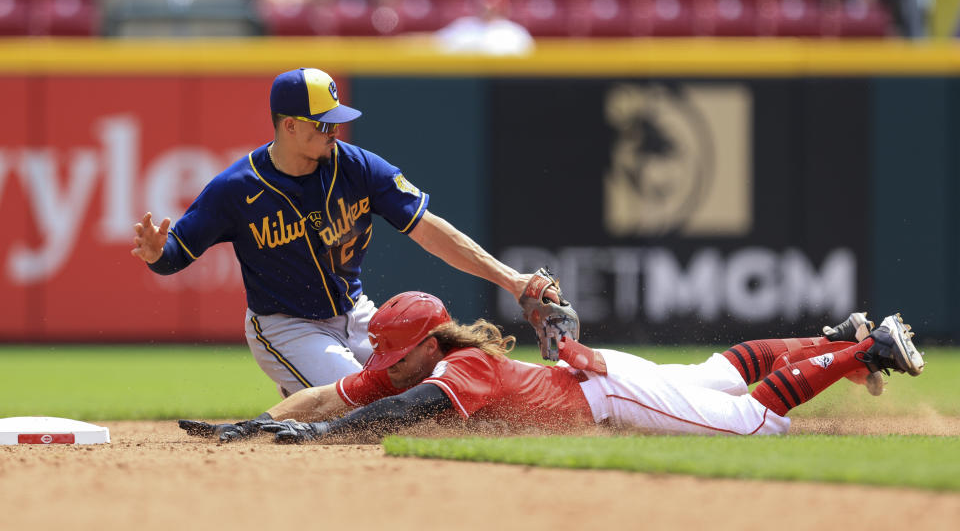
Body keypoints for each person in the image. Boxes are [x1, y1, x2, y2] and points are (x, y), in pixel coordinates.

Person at [131, 68, 552, 397]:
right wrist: (156, 252)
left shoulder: (357, 167)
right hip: (286, 326)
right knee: (373, 404)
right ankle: (305, 379)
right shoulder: (236, 189)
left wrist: (511, 279)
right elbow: (175, 255)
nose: (335, 132)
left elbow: (429, 230)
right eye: (323, 124)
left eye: (336, 122)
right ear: (289, 126)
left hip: (356, 314)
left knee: (442, 380)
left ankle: (310, 384)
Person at [178, 291, 924, 443]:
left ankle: (868, 348)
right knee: (719, 371)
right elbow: (326, 396)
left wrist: (323, 441)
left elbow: (407, 413)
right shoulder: (407, 362)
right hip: (595, 372)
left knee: (752, 418)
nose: (380, 364)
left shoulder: (455, 371)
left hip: (613, 394)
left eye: (390, 353)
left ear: (425, 346)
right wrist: (256, 423)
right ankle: (837, 337)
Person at [434, 0, 534, 56]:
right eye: (483, 1)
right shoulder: (462, 27)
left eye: (491, 1)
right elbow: (434, 44)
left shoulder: (514, 33)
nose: (487, 6)